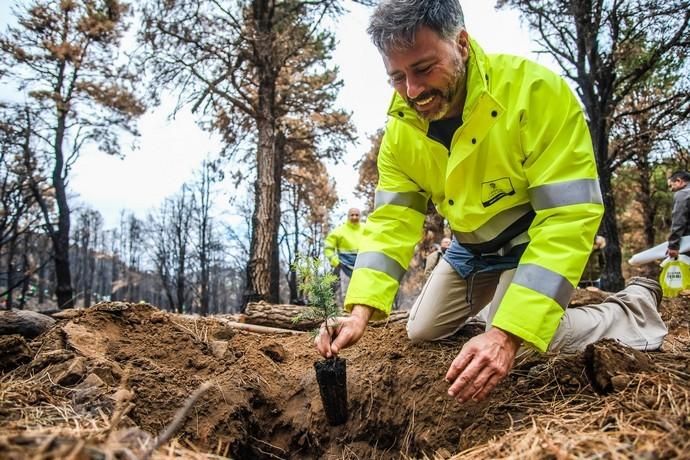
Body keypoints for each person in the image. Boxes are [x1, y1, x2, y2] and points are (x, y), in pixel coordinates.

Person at [315, 0, 667, 405]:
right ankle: (504, 305)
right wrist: (359, 312)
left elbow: (569, 217)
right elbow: (394, 220)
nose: (412, 91)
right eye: (397, 76)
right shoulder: (401, 132)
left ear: (461, 43)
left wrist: (506, 334)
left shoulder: (535, 93)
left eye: (424, 68)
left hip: (530, 244)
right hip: (471, 249)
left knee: (530, 337)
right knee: (421, 330)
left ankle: (633, 307)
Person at [324, 208, 365, 305]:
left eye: (356, 215)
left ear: (360, 216)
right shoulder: (339, 231)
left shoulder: (366, 229)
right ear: (348, 216)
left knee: (363, 292)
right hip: (345, 266)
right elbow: (328, 248)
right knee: (346, 292)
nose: (354, 217)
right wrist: (335, 261)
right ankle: (346, 313)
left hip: (363, 266)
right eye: (352, 215)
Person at [666, 171, 690, 259]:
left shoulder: (683, 194)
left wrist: (673, 245)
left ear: (679, 181)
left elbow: (679, 221)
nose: (671, 189)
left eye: (671, 185)